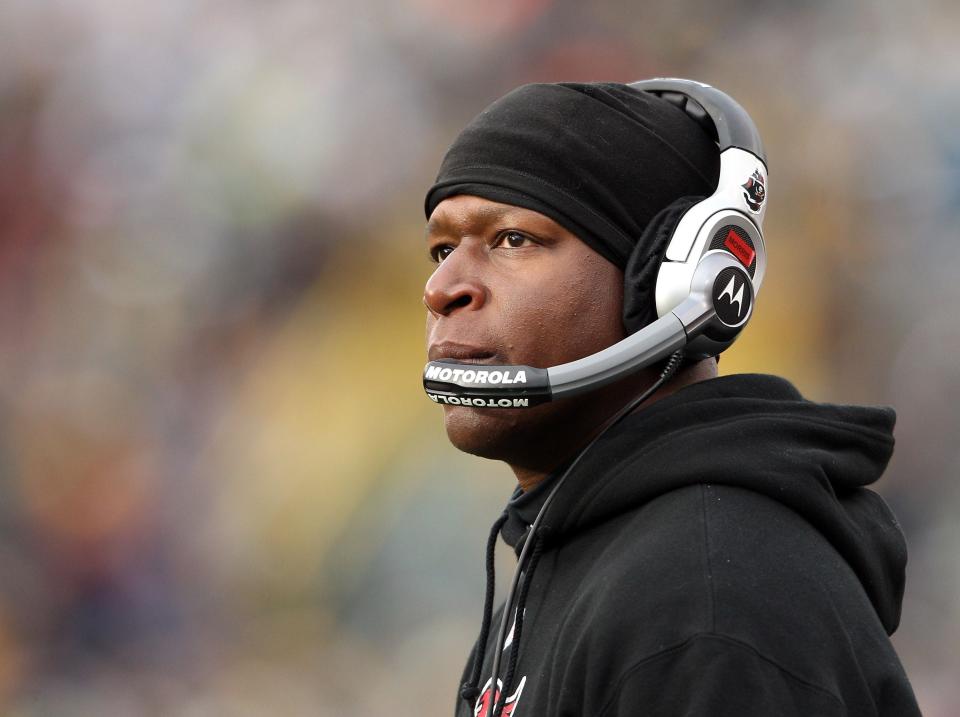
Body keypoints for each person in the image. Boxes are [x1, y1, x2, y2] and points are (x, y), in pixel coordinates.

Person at [422, 81, 920, 717]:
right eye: (441, 249)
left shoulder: (706, 601)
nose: (442, 289)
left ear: (666, 284)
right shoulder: (581, 560)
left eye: (513, 238)